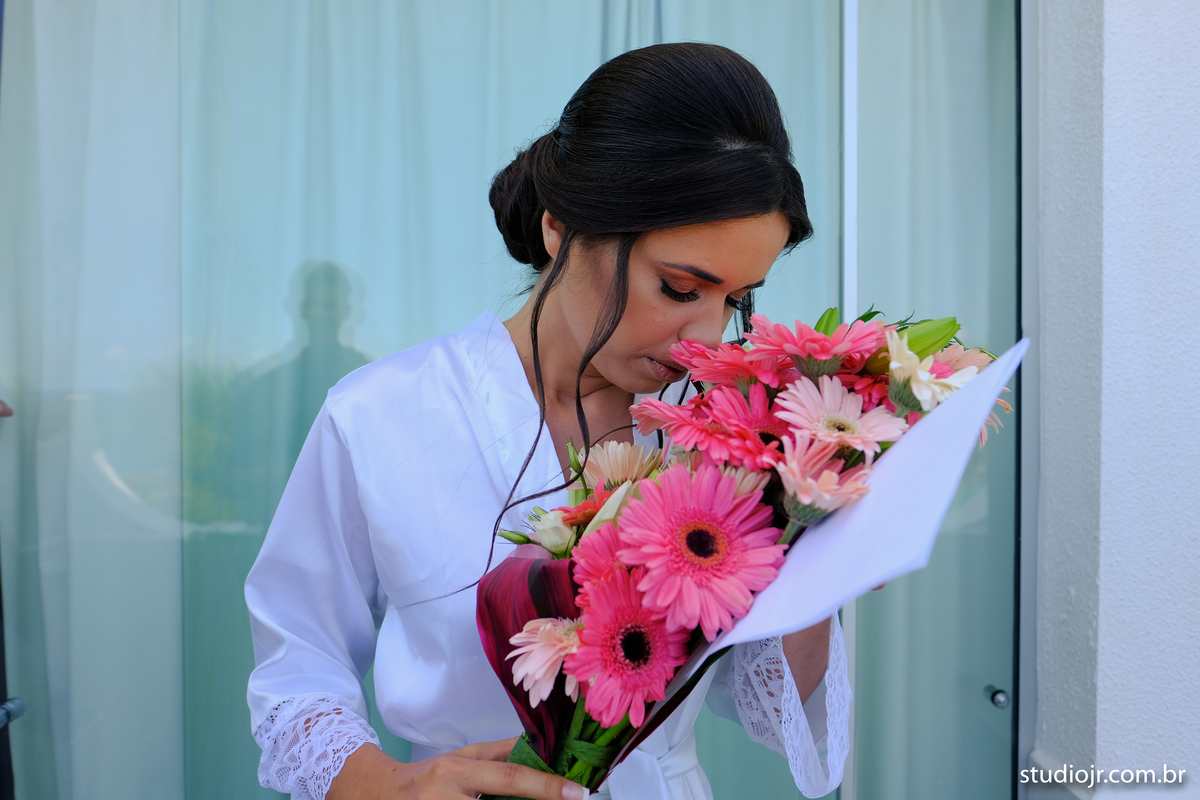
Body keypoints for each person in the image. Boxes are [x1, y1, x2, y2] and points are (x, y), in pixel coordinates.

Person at [246, 43, 850, 800]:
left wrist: (813, 530)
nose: (705, 338)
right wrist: (382, 784)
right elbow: (297, 664)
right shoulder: (382, 416)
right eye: (678, 287)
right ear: (561, 229)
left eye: (734, 299)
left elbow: (770, 705)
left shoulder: (724, 438)